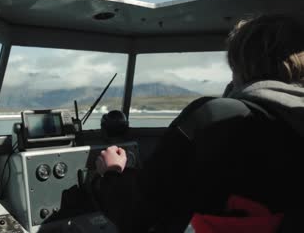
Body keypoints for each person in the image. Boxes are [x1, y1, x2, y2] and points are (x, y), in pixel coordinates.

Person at [93, 14, 304, 233]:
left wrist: (111, 174)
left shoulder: (214, 119)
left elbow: (135, 214)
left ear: (241, 65)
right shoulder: (294, 123)